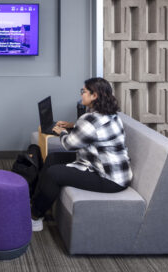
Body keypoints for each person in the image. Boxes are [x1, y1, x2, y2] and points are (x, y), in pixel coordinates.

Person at [30, 77, 132, 232]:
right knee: (53, 158)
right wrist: (72, 125)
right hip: (107, 167)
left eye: (83, 92)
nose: (81, 95)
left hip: (109, 178)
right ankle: (37, 202)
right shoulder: (110, 114)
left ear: (94, 96)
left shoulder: (90, 120)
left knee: (54, 173)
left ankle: (35, 217)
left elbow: (69, 144)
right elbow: (92, 131)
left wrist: (62, 132)